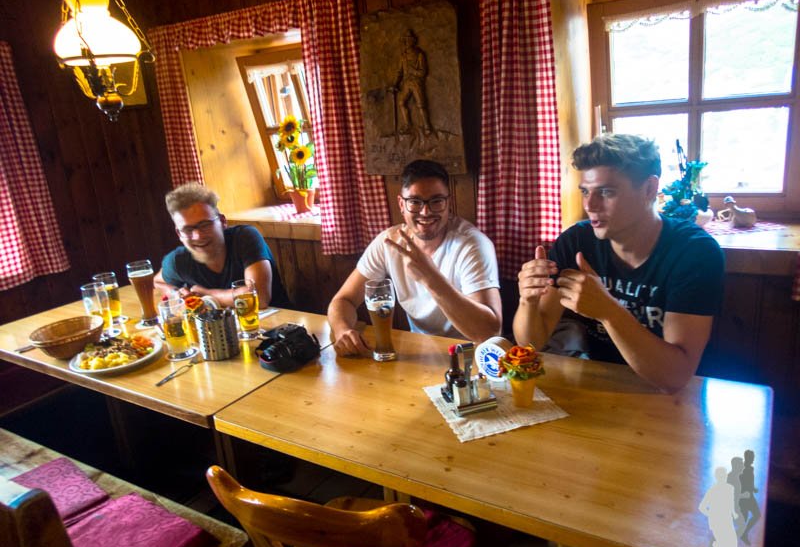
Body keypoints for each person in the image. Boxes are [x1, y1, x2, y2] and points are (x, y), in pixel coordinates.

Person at [513, 134, 724, 393]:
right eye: (585, 191)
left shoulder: (695, 252)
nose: (590, 205)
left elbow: (674, 378)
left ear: (649, 189)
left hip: (673, 395)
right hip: (603, 384)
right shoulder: (576, 241)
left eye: (606, 192)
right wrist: (528, 300)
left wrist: (609, 311)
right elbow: (531, 343)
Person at [328, 159, 502, 356]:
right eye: (415, 202)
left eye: (436, 201)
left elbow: (489, 332)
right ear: (401, 204)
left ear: (448, 203)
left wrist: (431, 278)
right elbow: (343, 300)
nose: (425, 212)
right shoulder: (389, 242)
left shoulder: (472, 245)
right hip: (419, 353)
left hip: (471, 355)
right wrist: (342, 330)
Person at [154, 183, 289, 309]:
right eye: (188, 229)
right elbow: (158, 282)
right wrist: (176, 293)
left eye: (205, 225)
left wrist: (206, 295)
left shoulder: (245, 237)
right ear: (179, 234)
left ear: (222, 221)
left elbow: (259, 297)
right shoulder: (178, 260)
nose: (198, 236)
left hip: (278, 323)